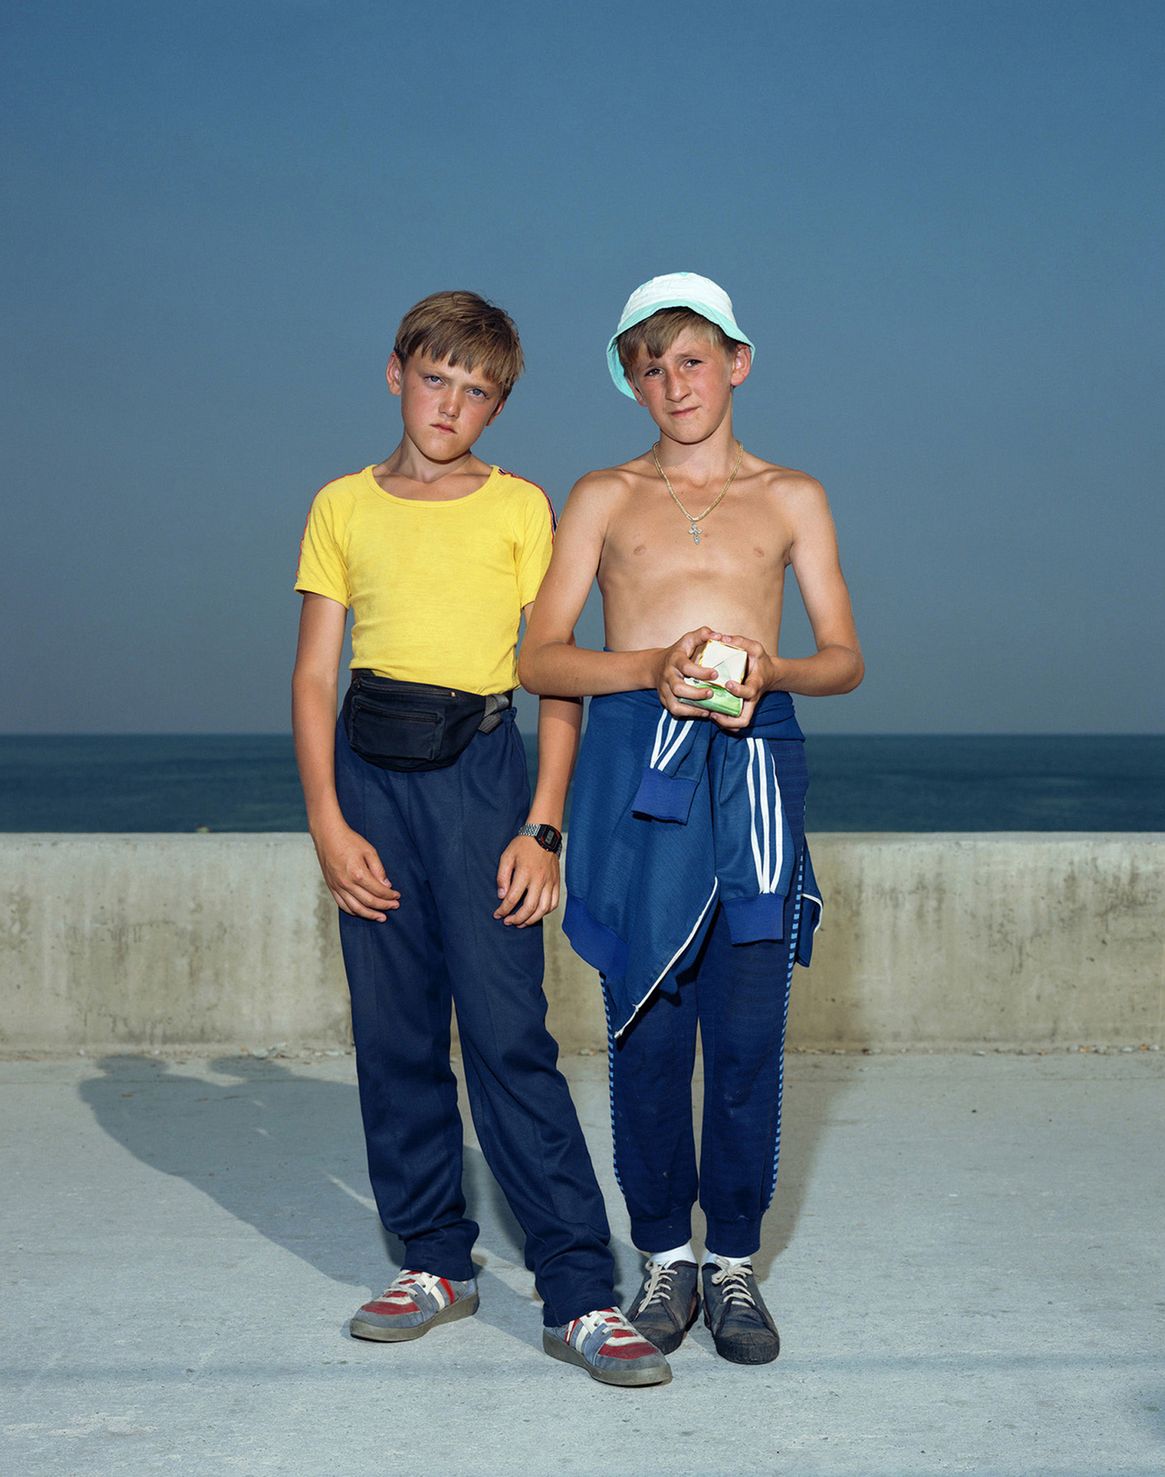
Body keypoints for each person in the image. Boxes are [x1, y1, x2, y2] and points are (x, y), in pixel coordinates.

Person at [291, 289, 670, 1387]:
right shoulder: (339, 506)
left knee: (507, 1036)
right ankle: (435, 1263)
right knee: (395, 1034)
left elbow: (552, 675)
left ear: (497, 406)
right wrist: (326, 818)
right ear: (395, 370)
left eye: (478, 388)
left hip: (483, 776)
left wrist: (542, 825)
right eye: (436, 375)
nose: (451, 402)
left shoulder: (520, 509)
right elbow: (316, 674)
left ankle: (578, 1292)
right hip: (369, 777)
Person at [519, 272, 863, 1365]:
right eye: (651, 365)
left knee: (750, 1036)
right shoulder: (603, 495)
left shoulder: (794, 495)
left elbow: (846, 660)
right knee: (647, 1032)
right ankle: (664, 1253)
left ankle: (735, 1268)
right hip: (636, 774)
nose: (675, 381)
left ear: (737, 363)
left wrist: (777, 670)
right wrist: (649, 668)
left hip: (757, 764)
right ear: (633, 382)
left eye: (692, 359)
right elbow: (540, 656)